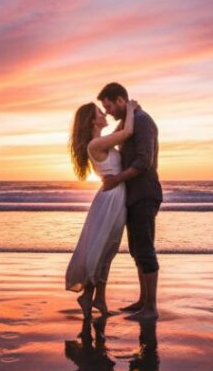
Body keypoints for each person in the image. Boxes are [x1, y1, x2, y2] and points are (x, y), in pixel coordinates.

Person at [65, 98, 140, 318]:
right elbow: (126, 133)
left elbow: (120, 131)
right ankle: (90, 296)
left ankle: (97, 298)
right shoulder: (95, 145)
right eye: (100, 112)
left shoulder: (101, 141)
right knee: (101, 248)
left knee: (109, 248)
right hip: (110, 199)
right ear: (92, 121)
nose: (104, 114)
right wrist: (132, 109)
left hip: (115, 196)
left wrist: (127, 115)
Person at [97, 83, 162, 320]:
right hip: (133, 195)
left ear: (121, 100)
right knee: (136, 250)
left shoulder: (142, 121)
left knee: (144, 249)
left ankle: (151, 307)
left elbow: (144, 162)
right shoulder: (130, 120)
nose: (108, 112)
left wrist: (116, 180)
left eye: (109, 106)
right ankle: (143, 301)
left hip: (144, 193)